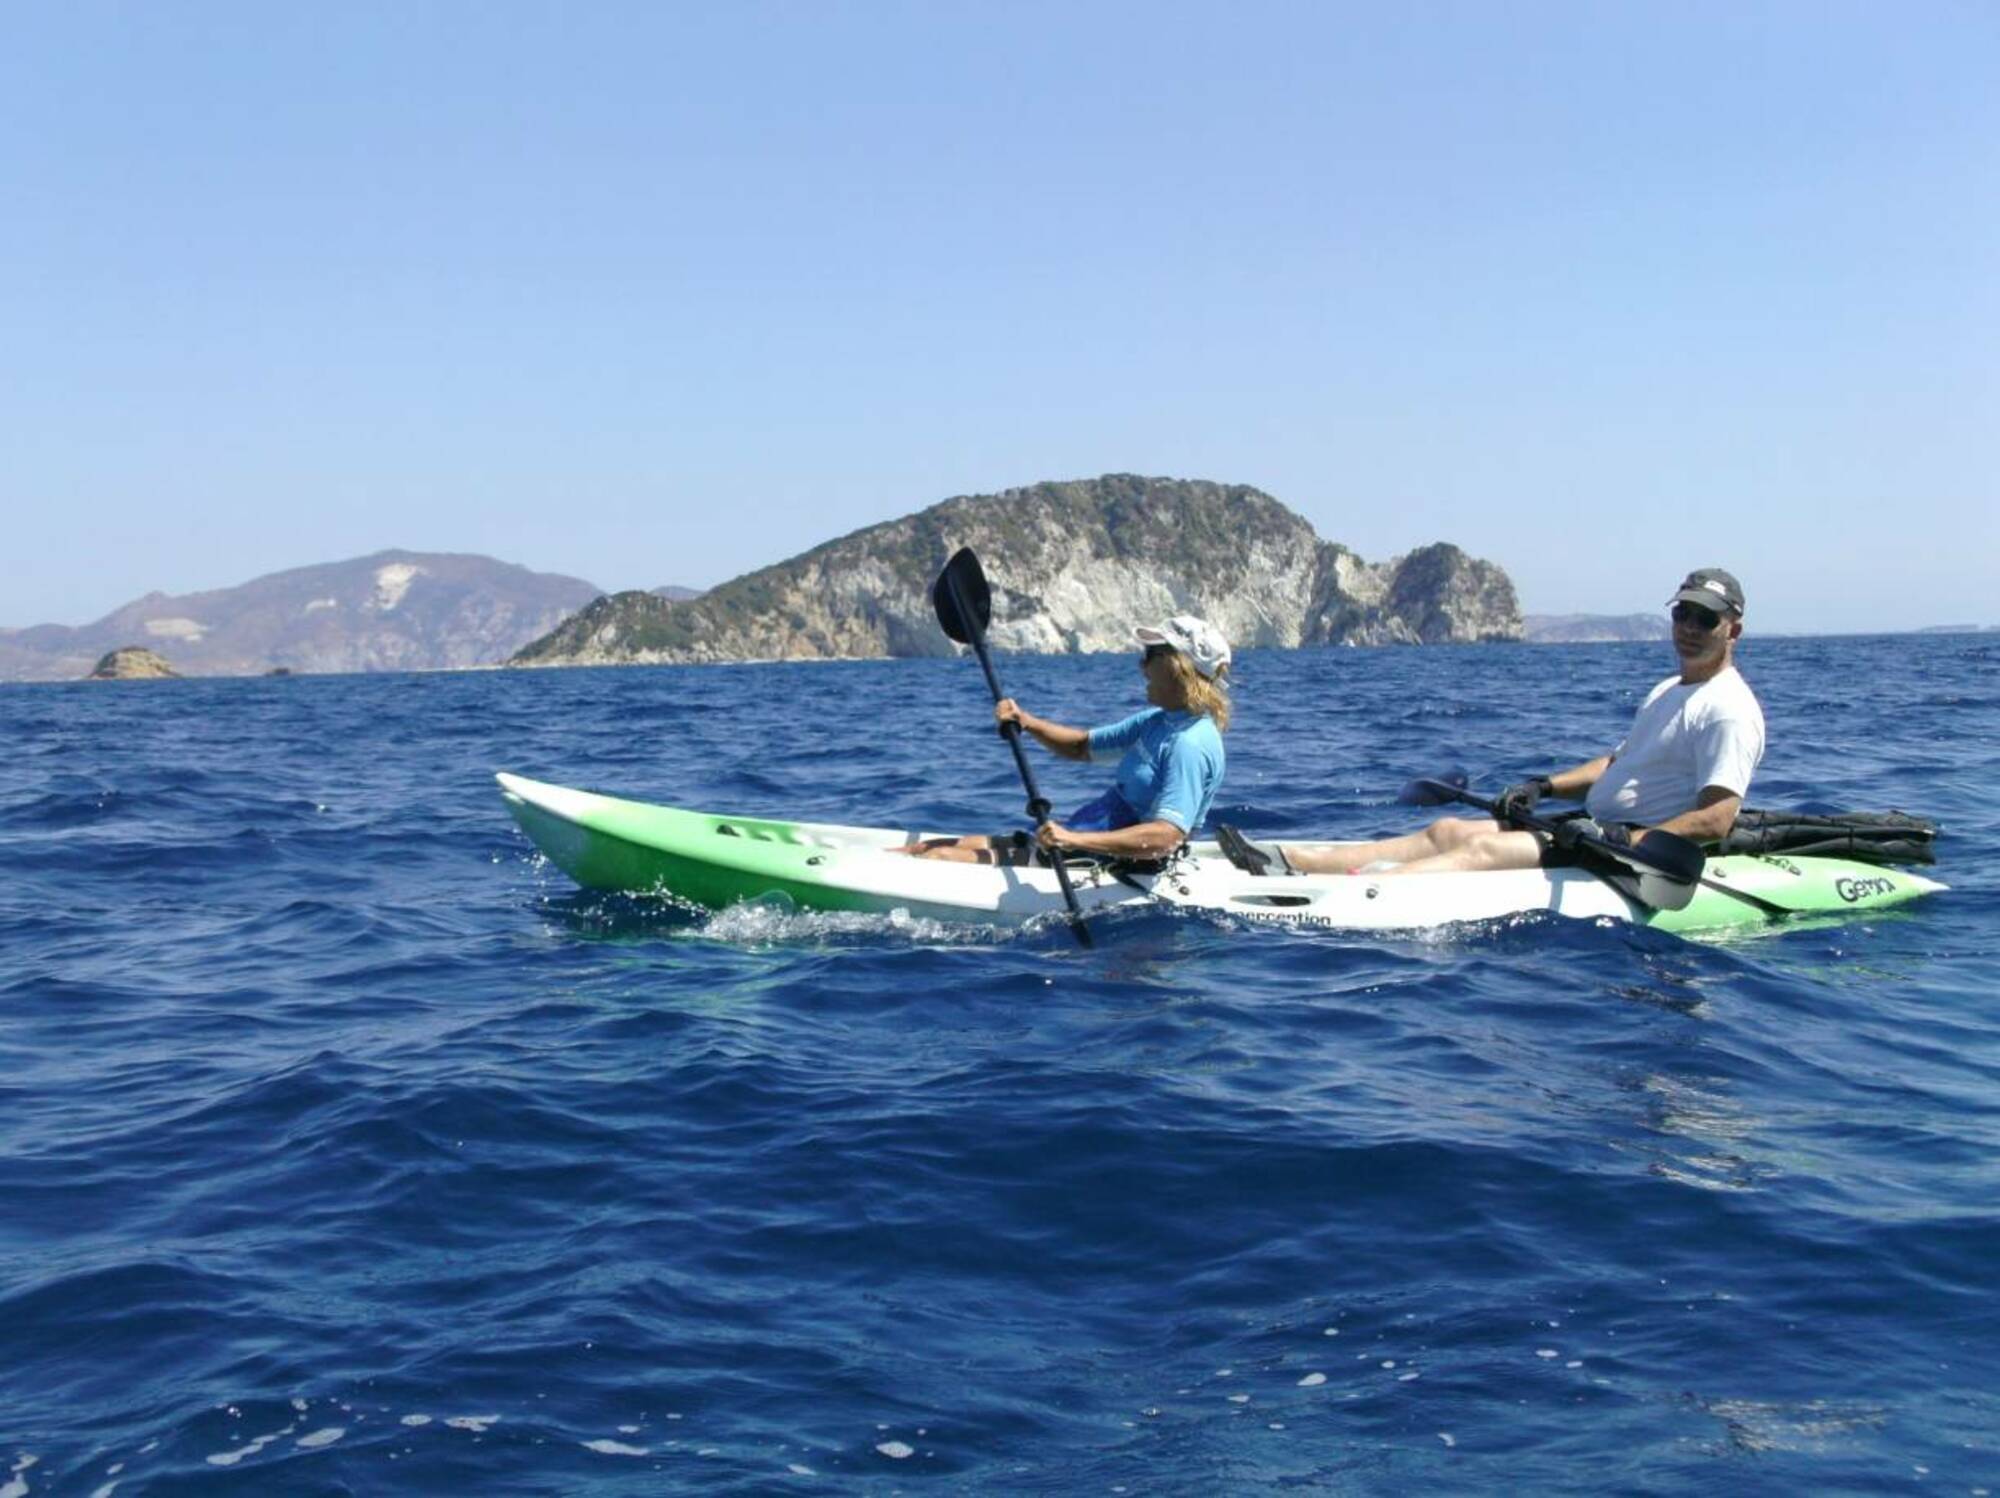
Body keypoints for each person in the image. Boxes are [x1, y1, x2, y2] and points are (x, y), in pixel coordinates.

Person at [1248, 568, 1764, 877]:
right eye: (1682, 615)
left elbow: (1715, 819)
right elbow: (1616, 763)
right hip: (1592, 832)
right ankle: (1299, 859)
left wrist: (1622, 840)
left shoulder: (1729, 708)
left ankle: (1360, 888)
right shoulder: (1668, 690)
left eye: (1705, 619)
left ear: (1733, 629)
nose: (1690, 628)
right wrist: (1542, 787)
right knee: (1446, 827)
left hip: (1629, 854)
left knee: (1483, 846)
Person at [898, 615, 1232, 864]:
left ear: (1178, 667)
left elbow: (1166, 835)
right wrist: (1026, 722)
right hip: (1084, 833)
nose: (1141, 665)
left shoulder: (1190, 743)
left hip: (1115, 861)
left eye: (1151, 655)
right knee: (927, 848)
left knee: (939, 859)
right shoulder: (1157, 721)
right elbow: (1082, 747)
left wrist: (1073, 839)